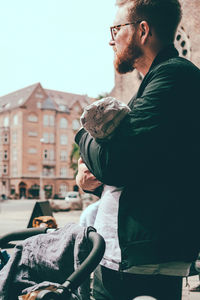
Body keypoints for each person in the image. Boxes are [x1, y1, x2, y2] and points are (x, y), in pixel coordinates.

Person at [75, 0, 200, 299]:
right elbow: (142, 167)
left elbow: (115, 162)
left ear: (143, 30)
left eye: (117, 29)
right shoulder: (152, 83)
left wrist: (82, 133)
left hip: (144, 264)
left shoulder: (173, 77)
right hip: (127, 255)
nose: (110, 38)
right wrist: (94, 180)